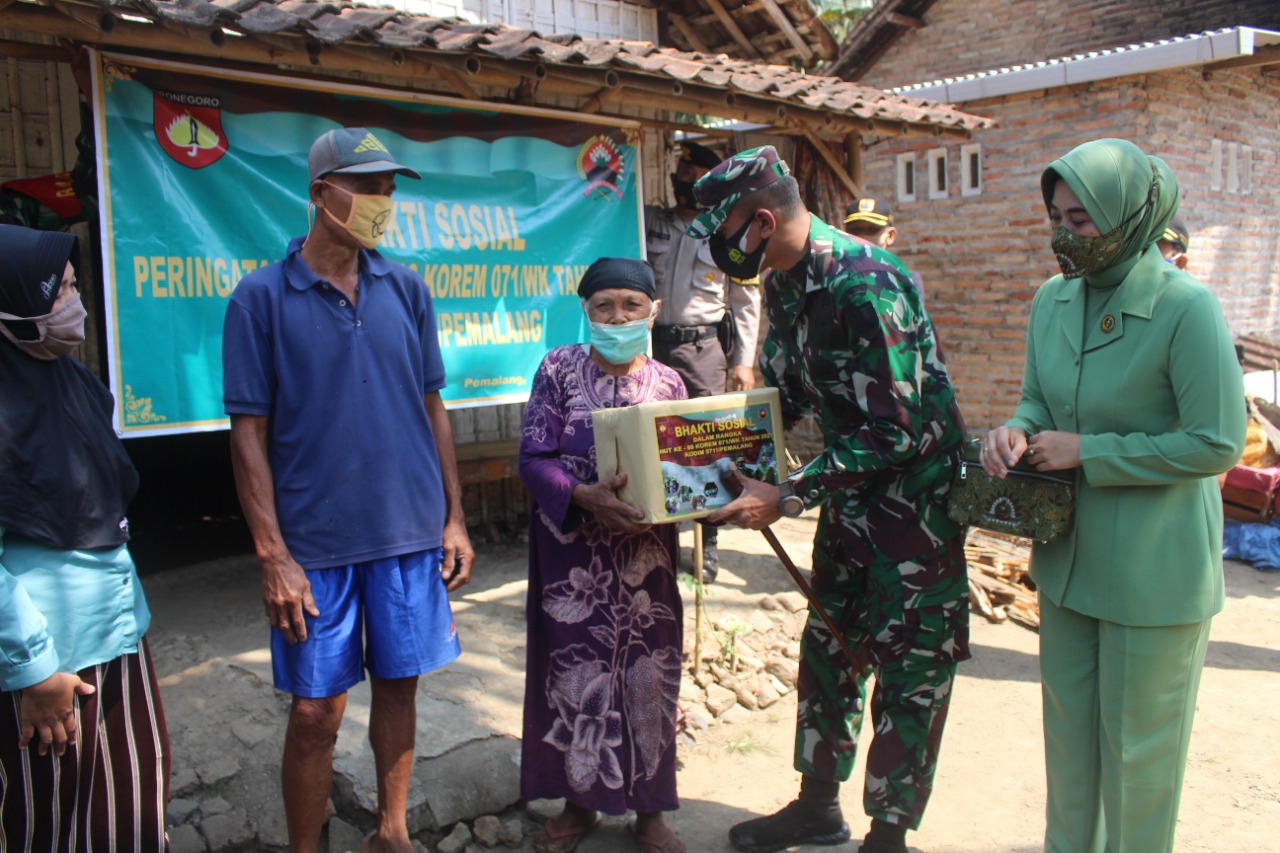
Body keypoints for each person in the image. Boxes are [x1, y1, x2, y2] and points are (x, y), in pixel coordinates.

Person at [686, 147, 969, 853]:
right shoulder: (787, 279)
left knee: (911, 662)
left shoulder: (867, 283)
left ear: (759, 220)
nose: (721, 254)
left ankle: (889, 832)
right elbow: (787, 394)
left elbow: (898, 428)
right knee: (830, 647)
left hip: (916, 504)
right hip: (851, 494)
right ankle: (818, 805)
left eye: (724, 236)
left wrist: (788, 492)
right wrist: (706, 457)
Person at [982, 139, 1244, 852]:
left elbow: (1218, 440)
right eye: (1057, 216)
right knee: (1069, 750)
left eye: (1082, 219)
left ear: (1129, 216)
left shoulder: (1186, 308)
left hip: (1154, 573)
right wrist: (1016, 430)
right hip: (1069, 562)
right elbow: (1038, 396)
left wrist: (1089, 452)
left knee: (1139, 760)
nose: (1065, 233)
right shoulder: (1052, 300)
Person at [222, 127, 474, 853]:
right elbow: (248, 436)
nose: (381, 203)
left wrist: (454, 517)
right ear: (320, 194)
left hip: (407, 534)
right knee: (314, 713)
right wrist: (273, 554)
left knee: (401, 685)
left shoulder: (407, 287)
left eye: (390, 190)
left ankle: (390, 833)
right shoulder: (260, 299)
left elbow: (433, 408)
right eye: (368, 188)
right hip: (315, 547)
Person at [0, 223, 170, 848]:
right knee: (50, 820)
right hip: (47, 664)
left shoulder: (74, 383)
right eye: (61, 290)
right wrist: (33, 667)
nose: (76, 305)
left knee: (129, 811)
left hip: (116, 638)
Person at [518, 257, 688, 853]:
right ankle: (579, 803)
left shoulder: (670, 384)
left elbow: (683, 470)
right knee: (575, 678)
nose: (618, 316)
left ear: (653, 311)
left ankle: (650, 810)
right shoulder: (558, 370)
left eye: (631, 305)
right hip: (574, 561)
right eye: (604, 306)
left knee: (650, 677)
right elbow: (533, 459)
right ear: (585, 310)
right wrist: (581, 496)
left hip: (648, 563)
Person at [646, 139, 762, 582]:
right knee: (657, 444)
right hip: (654, 347)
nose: (683, 189)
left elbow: (747, 300)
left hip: (703, 350)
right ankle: (664, 543)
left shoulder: (727, 235)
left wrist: (743, 360)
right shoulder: (653, 221)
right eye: (680, 180)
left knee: (704, 448)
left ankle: (707, 544)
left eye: (693, 182)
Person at [842, 196, 925, 298]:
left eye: (872, 230)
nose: (862, 236)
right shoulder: (833, 275)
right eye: (855, 229)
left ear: (890, 235)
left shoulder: (907, 279)